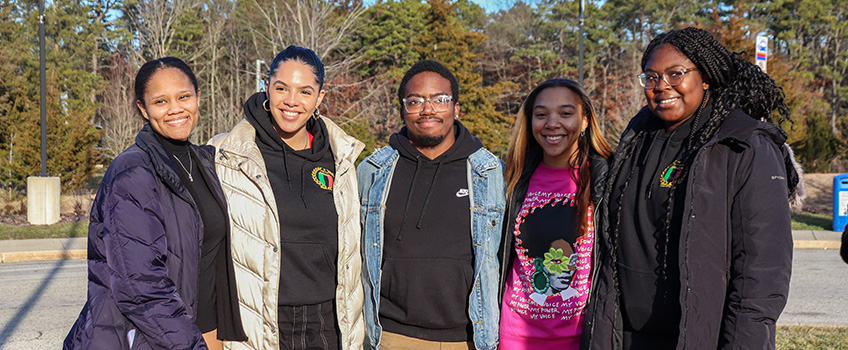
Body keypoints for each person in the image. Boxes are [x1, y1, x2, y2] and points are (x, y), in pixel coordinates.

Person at [581, 27, 801, 350]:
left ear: (706, 78)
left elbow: (763, 273)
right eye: (651, 77)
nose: (661, 86)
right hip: (624, 338)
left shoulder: (744, 145)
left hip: (700, 339)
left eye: (676, 74)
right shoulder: (636, 137)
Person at [64, 57, 246, 349]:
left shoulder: (204, 162)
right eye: (160, 101)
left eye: (183, 96)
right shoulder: (133, 172)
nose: (175, 108)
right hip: (158, 338)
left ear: (198, 98)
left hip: (209, 332)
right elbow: (139, 285)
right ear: (143, 109)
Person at [209, 46, 365, 350]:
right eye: (282, 88)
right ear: (267, 87)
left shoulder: (342, 160)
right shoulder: (225, 155)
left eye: (305, 92)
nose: (292, 101)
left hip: (327, 323)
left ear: (319, 98)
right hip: (258, 321)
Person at [358, 60, 505, 350]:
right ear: (403, 109)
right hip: (391, 336)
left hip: (467, 339)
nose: (428, 109)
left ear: (456, 108)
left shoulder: (489, 172)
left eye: (440, 99)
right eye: (415, 101)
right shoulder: (372, 172)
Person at [497, 78, 611, 349]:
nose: (552, 123)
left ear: (584, 121)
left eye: (565, 113)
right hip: (516, 335)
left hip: (581, 337)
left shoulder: (606, 177)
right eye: (541, 115)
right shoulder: (514, 177)